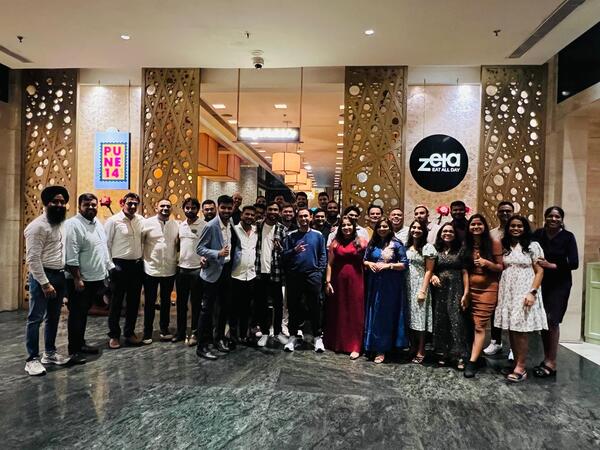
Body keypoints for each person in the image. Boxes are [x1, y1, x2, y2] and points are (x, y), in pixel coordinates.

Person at [24, 186, 71, 376]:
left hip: (59, 275)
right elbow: (33, 259)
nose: (59, 205)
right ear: (46, 203)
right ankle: (31, 360)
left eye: (62, 202)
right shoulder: (37, 227)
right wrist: (45, 283)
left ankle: (49, 354)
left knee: (53, 317)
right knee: (35, 319)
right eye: (55, 201)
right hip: (42, 277)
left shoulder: (61, 224)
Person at [495, 215, 547, 382]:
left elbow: (540, 271)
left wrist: (532, 292)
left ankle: (521, 367)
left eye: (519, 226)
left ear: (525, 228)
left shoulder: (532, 246)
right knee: (512, 328)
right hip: (507, 291)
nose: (516, 228)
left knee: (521, 330)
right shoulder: (505, 245)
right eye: (513, 226)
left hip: (524, 290)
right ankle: (516, 362)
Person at [64, 193, 112, 364]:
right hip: (80, 280)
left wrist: (109, 269)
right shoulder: (73, 225)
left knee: (83, 314)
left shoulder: (97, 223)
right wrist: (77, 278)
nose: (91, 207)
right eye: (87, 205)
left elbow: (102, 248)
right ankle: (74, 350)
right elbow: (71, 255)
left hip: (95, 278)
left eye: (93, 204)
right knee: (76, 315)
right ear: (79, 206)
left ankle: (81, 343)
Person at [532, 206, 579, 378]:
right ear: (545, 217)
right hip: (541, 282)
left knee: (552, 321)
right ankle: (546, 359)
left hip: (560, 284)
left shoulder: (568, 237)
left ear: (561, 219)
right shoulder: (538, 234)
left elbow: (574, 263)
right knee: (544, 322)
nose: (553, 219)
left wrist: (550, 265)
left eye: (557, 216)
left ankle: (551, 362)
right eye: (550, 216)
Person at [195, 195, 238, 360]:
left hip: (226, 271)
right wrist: (217, 253)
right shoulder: (211, 225)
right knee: (207, 310)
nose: (226, 211)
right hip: (212, 273)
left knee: (223, 308)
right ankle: (202, 346)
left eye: (229, 208)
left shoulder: (230, 223)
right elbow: (200, 248)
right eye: (223, 208)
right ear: (218, 208)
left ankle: (218, 339)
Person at [363, 218, 409, 364]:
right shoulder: (373, 244)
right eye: (379, 227)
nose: (382, 229)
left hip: (390, 285)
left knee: (386, 315)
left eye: (385, 226)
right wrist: (370, 263)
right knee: (374, 314)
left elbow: (404, 264)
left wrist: (388, 266)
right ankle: (373, 345)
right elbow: (364, 260)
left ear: (390, 228)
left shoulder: (397, 244)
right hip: (374, 284)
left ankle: (384, 348)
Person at [462, 214, 503, 378]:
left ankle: (472, 363)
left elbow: (500, 267)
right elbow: (465, 270)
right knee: (470, 324)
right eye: (473, 224)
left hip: (488, 289)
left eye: (479, 224)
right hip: (470, 289)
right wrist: (466, 291)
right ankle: (476, 357)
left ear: (485, 226)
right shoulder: (467, 244)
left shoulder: (494, 243)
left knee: (480, 325)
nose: (476, 227)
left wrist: (487, 263)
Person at [282, 208, 327, 352]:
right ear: (297, 218)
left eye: (306, 216)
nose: (303, 219)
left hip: (313, 276)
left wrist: (319, 272)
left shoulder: (318, 235)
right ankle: (293, 336)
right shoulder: (291, 236)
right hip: (295, 276)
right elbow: (284, 255)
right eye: (300, 216)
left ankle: (317, 337)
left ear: (311, 217)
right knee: (293, 307)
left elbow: (323, 255)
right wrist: (294, 250)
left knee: (315, 307)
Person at [105, 192, 144, 349]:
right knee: (116, 302)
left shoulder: (141, 220)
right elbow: (106, 244)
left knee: (134, 302)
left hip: (136, 266)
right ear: (123, 203)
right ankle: (114, 335)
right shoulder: (113, 221)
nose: (133, 206)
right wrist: (110, 266)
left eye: (135, 204)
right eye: (130, 203)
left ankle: (129, 333)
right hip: (119, 266)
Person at [325, 216, 367, 359]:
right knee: (339, 311)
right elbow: (329, 264)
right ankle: (339, 343)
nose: (346, 228)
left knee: (355, 312)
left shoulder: (361, 242)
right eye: (343, 225)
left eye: (349, 225)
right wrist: (328, 281)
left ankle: (355, 346)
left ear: (354, 226)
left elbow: (367, 260)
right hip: (338, 281)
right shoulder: (335, 243)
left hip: (357, 281)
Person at [431, 223, 469, 369]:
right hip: (440, 290)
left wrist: (466, 293)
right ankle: (443, 353)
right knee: (441, 319)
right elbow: (430, 268)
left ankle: (459, 355)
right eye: (445, 231)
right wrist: (433, 276)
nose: (447, 233)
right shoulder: (436, 249)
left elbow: (465, 271)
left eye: (450, 231)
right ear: (440, 233)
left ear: (455, 234)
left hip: (456, 288)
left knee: (456, 320)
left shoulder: (461, 249)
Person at [141, 199, 179, 344]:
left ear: (171, 208)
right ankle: (147, 332)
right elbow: (140, 243)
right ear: (156, 207)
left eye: (168, 206)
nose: (165, 208)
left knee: (166, 302)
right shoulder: (147, 223)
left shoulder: (176, 225)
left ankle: (164, 329)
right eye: (162, 205)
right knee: (150, 302)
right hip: (151, 269)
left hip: (169, 269)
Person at [254, 201, 287, 347]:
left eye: (275, 210)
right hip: (259, 271)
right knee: (261, 303)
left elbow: (286, 252)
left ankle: (278, 332)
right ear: (266, 210)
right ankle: (265, 332)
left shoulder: (282, 229)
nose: (273, 212)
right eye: (270, 209)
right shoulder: (257, 226)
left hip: (276, 271)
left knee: (278, 304)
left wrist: (281, 249)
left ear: (279, 212)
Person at [484, 201, 515, 356]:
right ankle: (495, 341)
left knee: (513, 310)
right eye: (502, 211)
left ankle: (514, 347)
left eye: (508, 211)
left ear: (513, 213)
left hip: (514, 276)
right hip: (496, 275)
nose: (505, 214)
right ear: (497, 213)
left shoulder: (517, 231)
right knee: (495, 308)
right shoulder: (492, 233)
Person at [174, 197, 206, 345]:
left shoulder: (204, 225)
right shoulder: (180, 225)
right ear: (183, 209)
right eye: (187, 208)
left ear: (198, 209)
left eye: (193, 208)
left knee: (196, 304)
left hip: (197, 270)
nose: (190, 210)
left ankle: (195, 332)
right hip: (182, 270)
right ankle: (180, 332)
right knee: (181, 304)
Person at [404, 220, 436, 364]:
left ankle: (421, 349)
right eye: (413, 227)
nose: (416, 230)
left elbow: (429, 270)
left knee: (420, 319)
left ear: (424, 231)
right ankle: (412, 346)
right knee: (410, 318)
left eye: (419, 228)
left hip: (419, 285)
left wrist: (423, 290)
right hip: (406, 285)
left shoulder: (428, 247)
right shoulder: (407, 246)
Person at [230, 205, 258, 344]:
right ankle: (233, 336)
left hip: (251, 275)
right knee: (233, 308)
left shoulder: (256, 231)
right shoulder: (234, 230)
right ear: (241, 215)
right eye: (247, 214)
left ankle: (244, 334)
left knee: (247, 309)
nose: (249, 217)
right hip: (235, 275)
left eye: (252, 215)